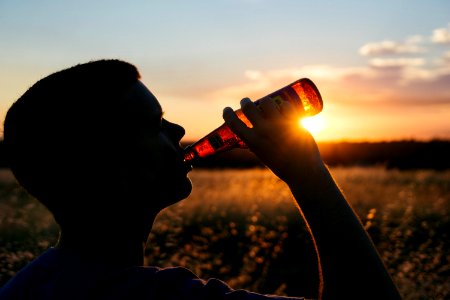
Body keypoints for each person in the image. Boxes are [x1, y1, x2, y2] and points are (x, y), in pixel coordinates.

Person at [0, 60, 401, 300]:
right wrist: (309, 176)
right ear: (102, 164)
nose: (178, 129)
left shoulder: (30, 284)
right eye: (154, 124)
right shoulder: (155, 298)